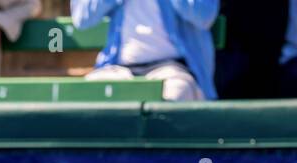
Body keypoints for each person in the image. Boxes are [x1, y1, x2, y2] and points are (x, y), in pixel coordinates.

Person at [70, 0, 220, 101]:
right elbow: (81, 18)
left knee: (176, 94)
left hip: (173, 69)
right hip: (118, 69)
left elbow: (205, 16)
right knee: (90, 96)